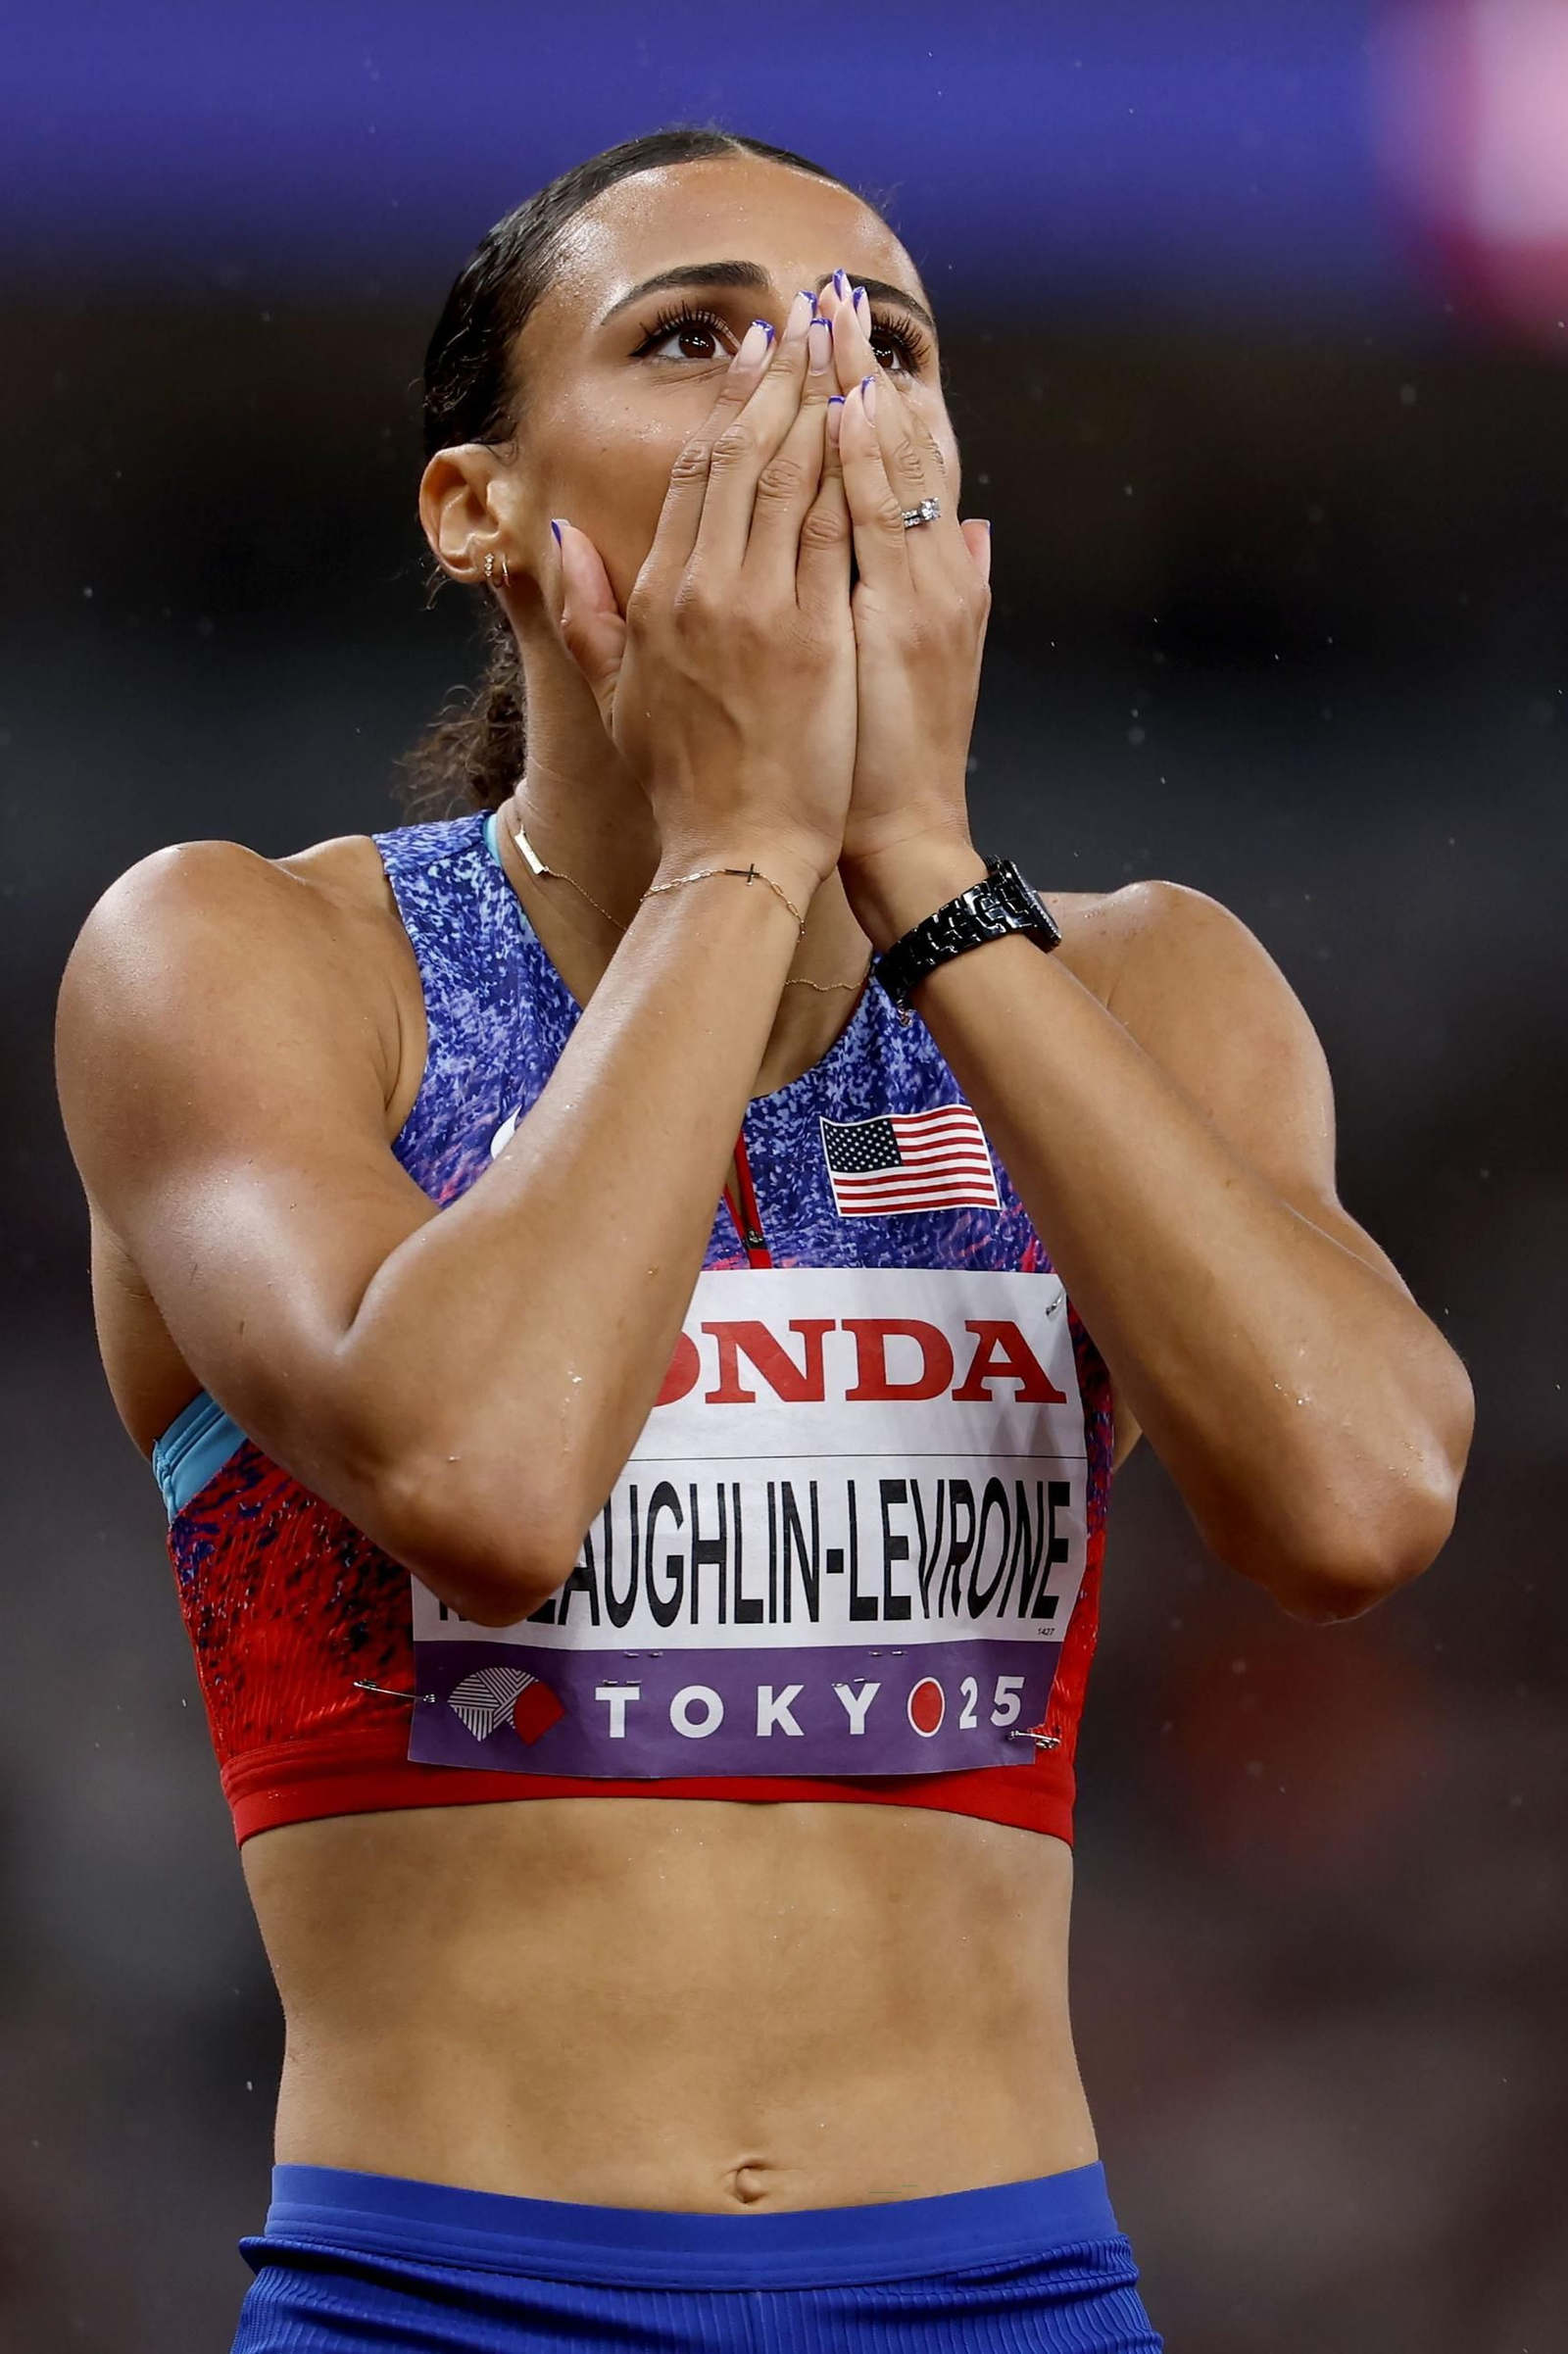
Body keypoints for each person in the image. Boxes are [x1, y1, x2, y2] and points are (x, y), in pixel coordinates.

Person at [54, 127, 1474, 2354]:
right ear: (478, 512)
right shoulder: (247, 962)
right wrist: (741, 848)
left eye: (877, 341)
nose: (808, 398)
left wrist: (915, 862)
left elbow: (1355, 1500)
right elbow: (492, 1477)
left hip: (1006, 2290)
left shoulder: (1155, 984)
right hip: (447, 2294)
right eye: (693, 333)